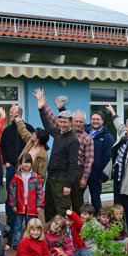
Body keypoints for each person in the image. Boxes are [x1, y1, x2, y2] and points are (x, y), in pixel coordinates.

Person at [34, 88, 79, 222]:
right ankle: (49, 237)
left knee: (61, 212)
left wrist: (68, 185)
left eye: (65, 122)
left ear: (70, 122)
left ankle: (62, 240)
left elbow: (73, 165)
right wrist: (41, 109)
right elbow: (47, 126)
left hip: (62, 179)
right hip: (51, 178)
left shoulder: (73, 140)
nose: (62, 124)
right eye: (60, 122)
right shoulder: (58, 133)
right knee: (49, 209)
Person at [45, 98, 95, 215]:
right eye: (76, 121)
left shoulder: (87, 138)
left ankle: (78, 228)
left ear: (84, 122)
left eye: (81, 122)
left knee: (77, 202)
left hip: (76, 172)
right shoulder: (63, 132)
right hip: (62, 172)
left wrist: (84, 178)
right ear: (72, 121)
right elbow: (52, 119)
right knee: (61, 201)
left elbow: (89, 160)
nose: (78, 124)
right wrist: (45, 106)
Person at [103, 105, 128, 238]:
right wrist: (113, 112)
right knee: (118, 207)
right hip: (118, 179)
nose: (126, 128)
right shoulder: (124, 135)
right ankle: (119, 232)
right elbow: (119, 125)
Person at [0, 105, 34, 245]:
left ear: (19, 113)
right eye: (10, 112)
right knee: (11, 198)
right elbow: (2, 146)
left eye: (12, 112)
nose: (10, 114)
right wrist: (6, 162)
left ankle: (28, 232)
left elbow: (34, 146)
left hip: (25, 170)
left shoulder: (29, 129)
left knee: (25, 200)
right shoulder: (7, 130)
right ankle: (11, 230)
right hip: (11, 168)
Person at [10, 153, 44, 249]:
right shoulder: (17, 176)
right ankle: (17, 243)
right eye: (24, 162)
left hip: (32, 206)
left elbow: (39, 192)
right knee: (18, 226)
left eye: (28, 162)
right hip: (20, 205)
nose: (26, 165)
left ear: (31, 164)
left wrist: (39, 205)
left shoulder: (35, 176)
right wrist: (13, 205)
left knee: (31, 226)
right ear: (21, 163)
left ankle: (31, 242)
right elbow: (12, 191)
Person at [84, 111, 114, 215]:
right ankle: (79, 224)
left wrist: (104, 176)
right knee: (77, 200)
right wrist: (61, 108)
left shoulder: (107, 137)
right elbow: (72, 121)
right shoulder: (85, 131)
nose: (95, 121)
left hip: (96, 175)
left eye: (98, 119)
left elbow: (109, 158)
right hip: (82, 173)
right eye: (93, 119)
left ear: (102, 121)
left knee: (96, 201)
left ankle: (99, 223)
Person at [15, 112, 49, 186]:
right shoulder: (30, 142)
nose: (32, 133)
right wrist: (18, 120)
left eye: (35, 133)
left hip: (31, 185)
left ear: (38, 139)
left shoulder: (43, 156)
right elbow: (23, 131)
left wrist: (37, 190)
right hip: (19, 179)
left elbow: (42, 176)